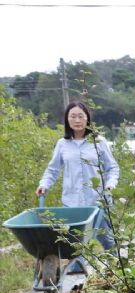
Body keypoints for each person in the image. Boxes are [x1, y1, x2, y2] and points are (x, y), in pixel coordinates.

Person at [37, 101, 119, 271]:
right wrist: (44, 184)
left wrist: (110, 184)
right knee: (74, 244)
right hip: (72, 203)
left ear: (87, 118)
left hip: (98, 201)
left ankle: (118, 272)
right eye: (72, 116)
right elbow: (52, 170)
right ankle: (75, 282)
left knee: (107, 240)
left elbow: (112, 168)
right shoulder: (62, 144)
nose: (77, 120)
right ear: (67, 120)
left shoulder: (99, 142)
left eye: (81, 116)